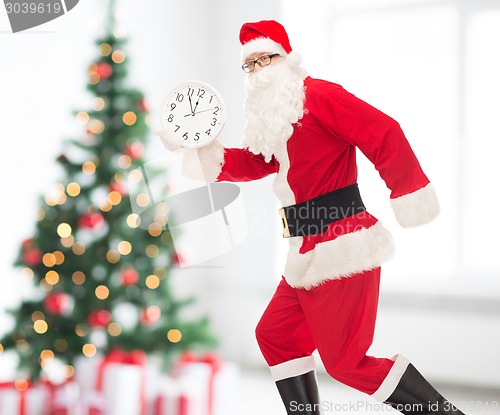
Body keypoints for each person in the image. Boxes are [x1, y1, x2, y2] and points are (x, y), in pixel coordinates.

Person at [157, 19, 466, 415]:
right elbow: (254, 162)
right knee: (276, 335)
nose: (256, 72)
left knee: (347, 364)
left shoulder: (320, 96)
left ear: (286, 58)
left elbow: (383, 131)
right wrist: (197, 146)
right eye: (248, 65)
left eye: (264, 59)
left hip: (343, 244)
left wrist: (408, 192)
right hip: (304, 248)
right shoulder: (275, 120)